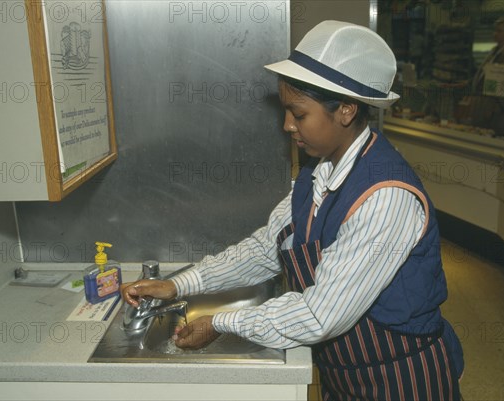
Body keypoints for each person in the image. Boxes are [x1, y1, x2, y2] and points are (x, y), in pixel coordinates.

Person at [122, 20, 464, 400]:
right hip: (345, 371)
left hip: (402, 379)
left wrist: (221, 322)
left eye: (298, 114)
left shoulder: (386, 197)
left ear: (347, 111)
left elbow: (321, 314)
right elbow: (265, 249)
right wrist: (178, 284)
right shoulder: (319, 173)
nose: (287, 125)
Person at [469, 17, 504, 136]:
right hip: (486, 103)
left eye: (499, 31)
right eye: (495, 30)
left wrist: (493, 108)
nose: (495, 34)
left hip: (497, 108)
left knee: (493, 137)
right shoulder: (495, 50)